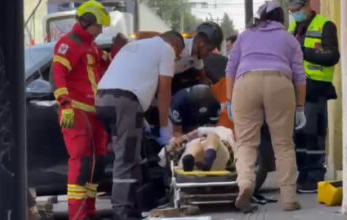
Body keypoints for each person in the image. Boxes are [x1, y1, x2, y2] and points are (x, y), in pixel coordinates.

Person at [226, 1, 307, 212]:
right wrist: (300, 106)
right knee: (283, 144)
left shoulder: (244, 36)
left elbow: (230, 68)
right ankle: (288, 197)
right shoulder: (289, 39)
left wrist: (229, 100)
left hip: (246, 83)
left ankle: (245, 185)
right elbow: (300, 75)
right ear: (281, 18)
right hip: (279, 83)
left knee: (245, 143)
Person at [95, 31, 184, 220]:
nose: (175, 59)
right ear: (175, 44)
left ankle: (135, 208)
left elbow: (129, 78)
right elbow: (164, 89)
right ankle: (122, 212)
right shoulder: (166, 48)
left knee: (131, 156)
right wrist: (163, 126)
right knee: (126, 160)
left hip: (103, 99)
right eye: (178, 55)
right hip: (125, 102)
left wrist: (141, 115)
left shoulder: (135, 46)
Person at [51, 1, 127, 219]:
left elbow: (108, 66)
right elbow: (57, 74)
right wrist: (65, 104)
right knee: (82, 163)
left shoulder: (91, 47)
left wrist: (116, 48)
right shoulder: (70, 44)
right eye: (99, 26)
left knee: (98, 164)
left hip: (94, 114)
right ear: (87, 22)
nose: (101, 30)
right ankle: (78, 215)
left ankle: (89, 213)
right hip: (77, 112)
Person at [288, 0, 340, 193]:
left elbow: (332, 56)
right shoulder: (293, 28)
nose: (295, 13)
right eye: (291, 10)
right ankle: (303, 174)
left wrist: (304, 52)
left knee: (313, 135)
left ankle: (314, 176)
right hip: (296, 88)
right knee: (299, 135)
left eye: (297, 9)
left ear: (307, 5)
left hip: (316, 88)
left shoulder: (325, 25)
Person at [172, 21, 224, 94]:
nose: (209, 55)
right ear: (200, 42)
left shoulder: (196, 57)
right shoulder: (178, 48)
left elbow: (203, 77)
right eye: (209, 49)